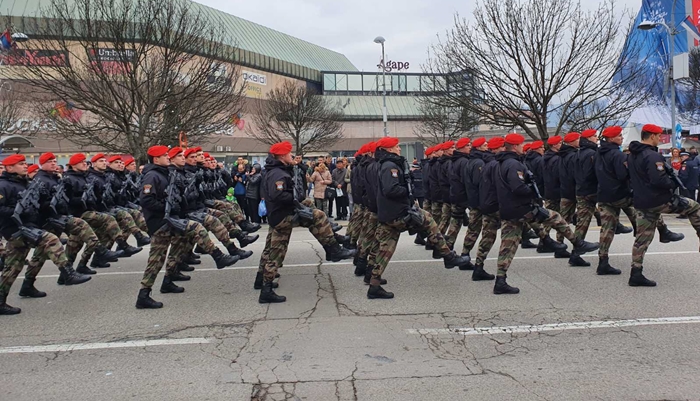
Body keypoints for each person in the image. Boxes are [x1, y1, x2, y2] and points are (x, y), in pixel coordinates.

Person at [135, 146, 239, 309]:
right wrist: (167, 206)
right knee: (192, 232)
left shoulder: (165, 173)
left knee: (179, 246)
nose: (167, 158)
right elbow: (146, 200)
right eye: (164, 156)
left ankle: (167, 281)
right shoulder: (151, 176)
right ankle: (218, 256)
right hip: (160, 222)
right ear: (155, 159)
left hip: (171, 219)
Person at [494, 134, 599, 294]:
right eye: (521, 144)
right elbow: (518, 187)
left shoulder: (500, 163)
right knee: (556, 217)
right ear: (515, 147)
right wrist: (531, 190)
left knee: (508, 246)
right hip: (521, 208)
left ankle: (500, 280)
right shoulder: (513, 164)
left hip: (508, 209)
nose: (523, 147)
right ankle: (577, 243)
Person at [369, 137, 472, 299]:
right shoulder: (389, 166)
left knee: (385, 249)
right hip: (397, 212)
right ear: (388, 150)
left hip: (389, 212)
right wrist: (409, 191)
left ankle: (374, 284)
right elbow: (391, 190)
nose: (399, 149)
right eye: (396, 147)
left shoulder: (384, 164)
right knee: (428, 220)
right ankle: (448, 256)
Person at [258, 141, 354, 303]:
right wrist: (295, 199)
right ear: (281, 156)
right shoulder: (277, 174)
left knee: (272, 249)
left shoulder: (277, 170)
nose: (292, 156)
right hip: (282, 217)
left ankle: (260, 280)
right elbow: (278, 196)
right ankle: (333, 248)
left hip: (279, 215)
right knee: (316, 218)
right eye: (289, 154)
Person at [0, 154, 91, 315]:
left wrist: (46, 200)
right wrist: (18, 211)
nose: (24, 166)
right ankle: (67, 273)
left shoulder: (25, 183)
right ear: (9, 168)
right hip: (14, 229)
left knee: (13, 268)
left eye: (24, 163)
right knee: (50, 239)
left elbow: (42, 205)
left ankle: (20, 290)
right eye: (20, 164)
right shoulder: (3, 185)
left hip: (29, 226)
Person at [627, 124, 700, 287]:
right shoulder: (653, 156)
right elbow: (658, 180)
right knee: (694, 206)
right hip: (658, 201)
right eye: (659, 136)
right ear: (652, 136)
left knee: (641, 239)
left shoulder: (632, 155)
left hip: (642, 202)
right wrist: (671, 184)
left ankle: (635, 273)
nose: (660, 139)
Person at [445, 138, 471, 250]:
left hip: (455, 194)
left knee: (455, 222)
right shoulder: (464, 161)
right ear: (462, 148)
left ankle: (448, 245)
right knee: (471, 224)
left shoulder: (452, 161)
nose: (470, 147)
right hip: (463, 195)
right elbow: (466, 180)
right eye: (468, 145)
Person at [437, 141, 455, 234]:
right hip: (448, 192)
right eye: (451, 148)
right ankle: (436, 241)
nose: (454, 150)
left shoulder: (440, 162)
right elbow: (450, 178)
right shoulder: (448, 162)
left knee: (445, 218)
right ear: (445, 151)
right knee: (446, 219)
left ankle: (435, 241)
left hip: (444, 191)